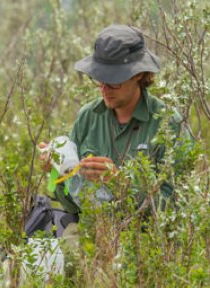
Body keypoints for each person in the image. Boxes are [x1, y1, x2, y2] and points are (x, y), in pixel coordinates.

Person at [41, 24, 192, 215]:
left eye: (113, 80)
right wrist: (56, 172)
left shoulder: (168, 124)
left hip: (146, 240)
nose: (104, 88)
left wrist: (120, 183)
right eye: (99, 79)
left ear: (138, 74)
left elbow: (176, 207)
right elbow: (73, 207)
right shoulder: (88, 117)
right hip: (91, 235)